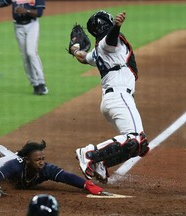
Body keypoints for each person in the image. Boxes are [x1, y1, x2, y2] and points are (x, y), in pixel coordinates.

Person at [69, 11, 150, 183]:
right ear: (107, 24)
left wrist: (74, 48)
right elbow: (111, 39)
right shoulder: (108, 43)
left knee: (139, 145)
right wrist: (117, 26)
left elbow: (83, 58)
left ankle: (101, 162)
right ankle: (89, 153)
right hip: (119, 97)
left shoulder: (98, 51)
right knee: (135, 138)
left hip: (112, 101)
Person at [0, 140, 104, 197]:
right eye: (37, 160)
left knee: (14, 158)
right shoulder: (14, 166)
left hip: (16, 159)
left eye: (42, 159)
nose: (41, 162)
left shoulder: (45, 168)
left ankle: (5, 150)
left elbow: (66, 177)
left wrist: (88, 185)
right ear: (27, 161)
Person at [0, 0, 48, 95]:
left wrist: (25, 11)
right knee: (25, 57)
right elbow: (3, 3)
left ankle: (42, 83)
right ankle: (35, 84)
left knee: (31, 53)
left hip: (32, 25)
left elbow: (39, 13)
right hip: (18, 26)